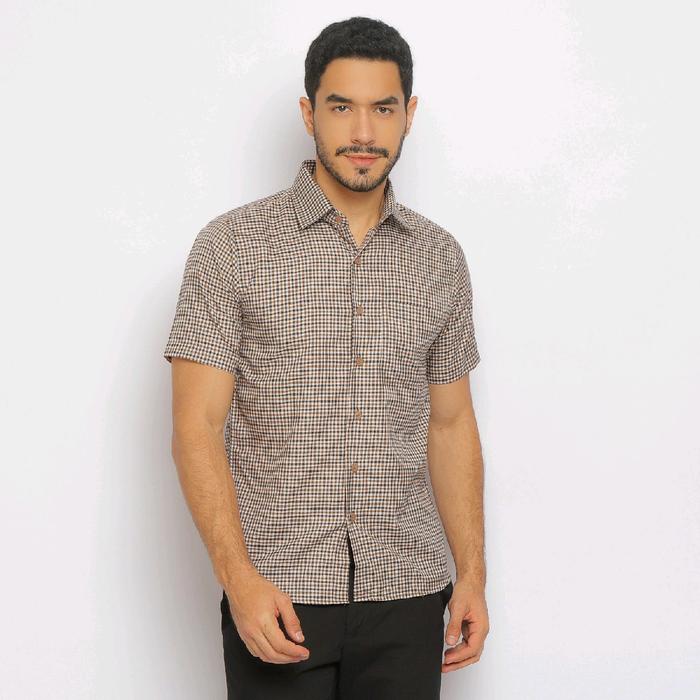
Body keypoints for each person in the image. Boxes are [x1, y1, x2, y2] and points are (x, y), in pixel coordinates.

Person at [163, 15, 489, 699]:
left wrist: (472, 575)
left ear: (409, 115)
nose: (364, 133)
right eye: (342, 107)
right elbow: (197, 427)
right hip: (279, 596)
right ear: (310, 113)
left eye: (383, 109)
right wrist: (238, 580)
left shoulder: (439, 258)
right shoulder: (231, 247)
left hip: (408, 594)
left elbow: (452, 423)